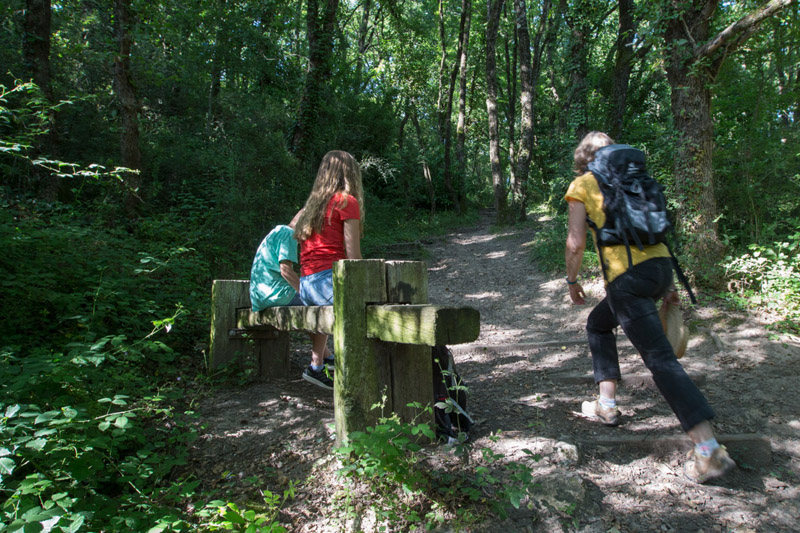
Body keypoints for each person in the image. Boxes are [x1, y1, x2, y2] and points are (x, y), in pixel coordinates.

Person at [564, 131, 736, 484]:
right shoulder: (636, 178)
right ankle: (606, 405)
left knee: (660, 360)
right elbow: (653, 231)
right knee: (598, 324)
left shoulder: (582, 184)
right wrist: (669, 287)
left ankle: (708, 451)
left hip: (627, 279)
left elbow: (576, 241)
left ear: (584, 158)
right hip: (659, 270)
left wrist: (571, 280)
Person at [294, 150, 364, 390]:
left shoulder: (309, 208)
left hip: (306, 286)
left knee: (325, 308)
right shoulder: (347, 202)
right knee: (376, 302)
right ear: (350, 174)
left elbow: (288, 229)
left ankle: (318, 364)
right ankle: (357, 369)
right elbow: (353, 256)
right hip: (328, 284)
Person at [249, 211, 334, 369]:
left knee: (313, 301)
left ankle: (326, 355)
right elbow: (286, 271)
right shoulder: (288, 235)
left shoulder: (276, 232)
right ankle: (317, 366)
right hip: (275, 295)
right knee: (322, 302)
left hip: (263, 295)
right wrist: (306, 293)